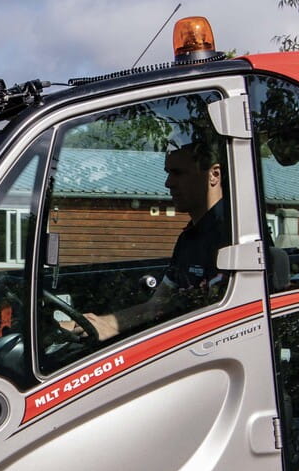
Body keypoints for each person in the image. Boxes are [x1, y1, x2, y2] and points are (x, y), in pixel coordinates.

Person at [79, 130, 229, 340]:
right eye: (168, 173)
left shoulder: (230, 235)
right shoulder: (189, 238)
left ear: (214, 175)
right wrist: (100, 323)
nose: (168, 183)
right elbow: (157, 306)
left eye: (178, 173)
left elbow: (217, 320)